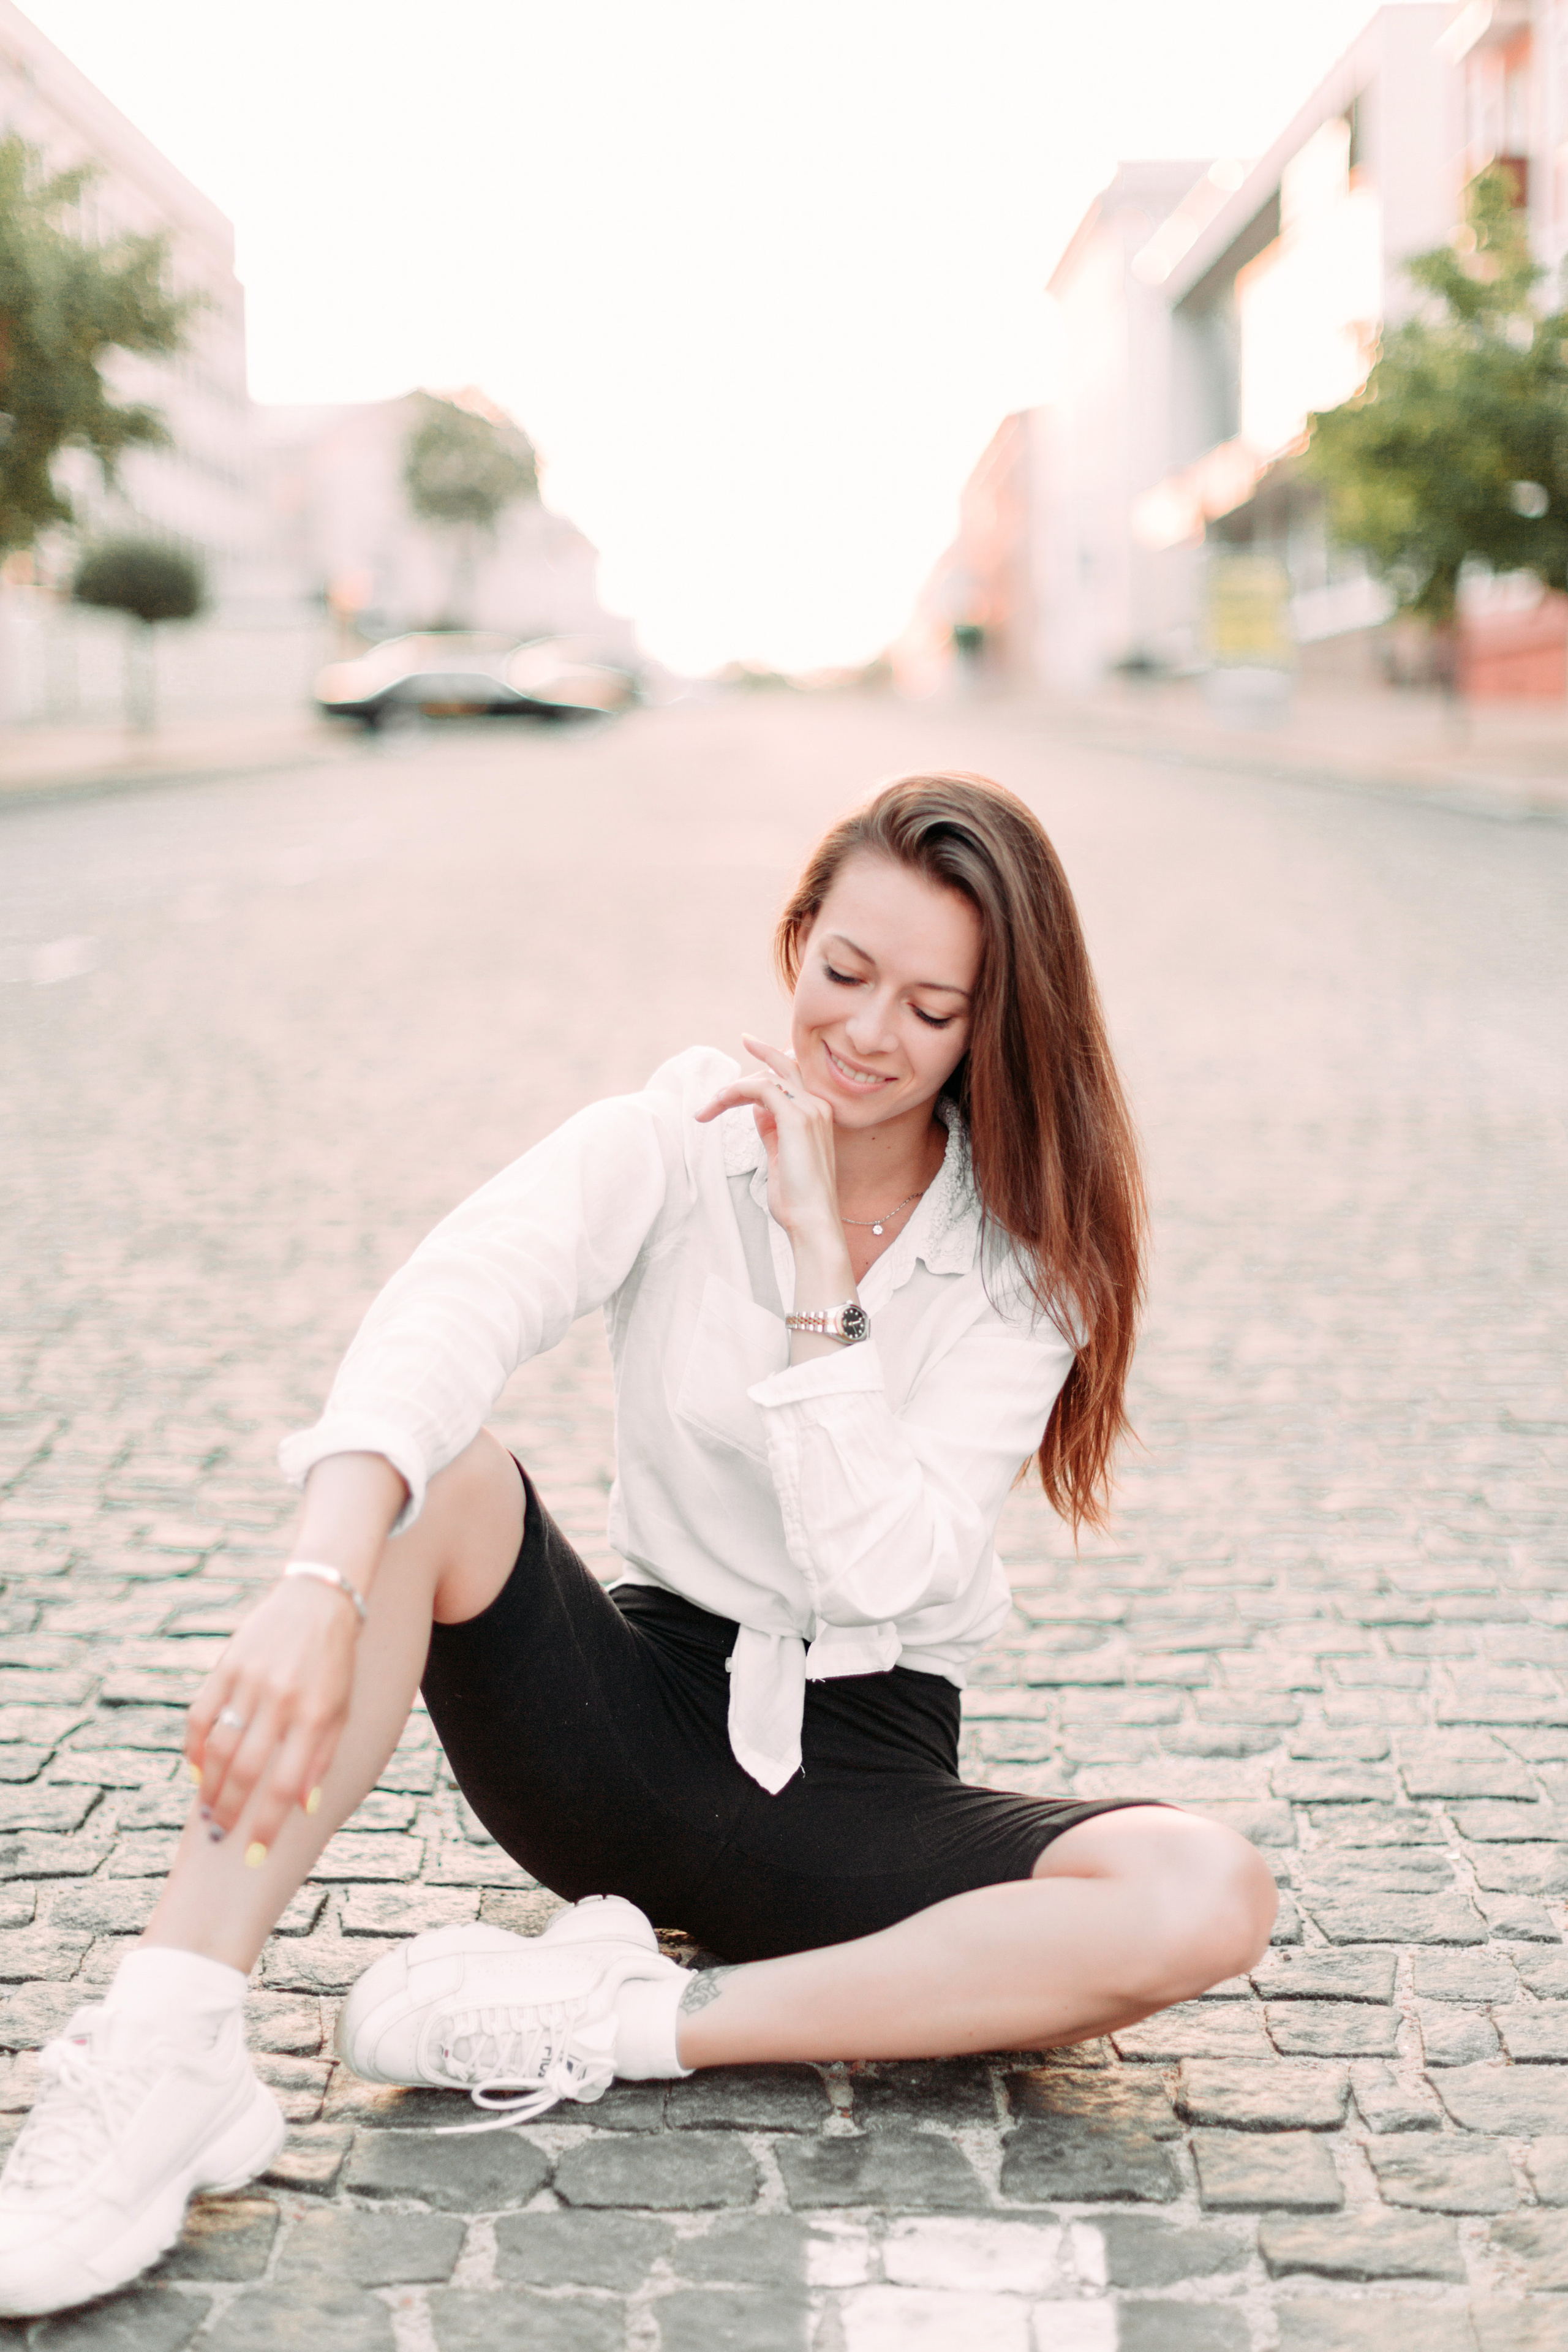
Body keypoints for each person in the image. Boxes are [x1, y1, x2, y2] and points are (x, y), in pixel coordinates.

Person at [0, 771, 1276, 2315]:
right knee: (439, 1475)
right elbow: (455, 1300)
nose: (868, 1034)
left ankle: (622, 2022)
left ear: (990, 1028)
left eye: (932, 1009)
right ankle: (171, 2041)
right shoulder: (673, 1138)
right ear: (794, 941)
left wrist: (820, 1282)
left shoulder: (1025, 1264)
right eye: (843, 974)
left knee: (1207, 1891)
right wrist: (317, 1581)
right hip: (623, 1734)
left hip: (861, 1797)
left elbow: (884, 1570)